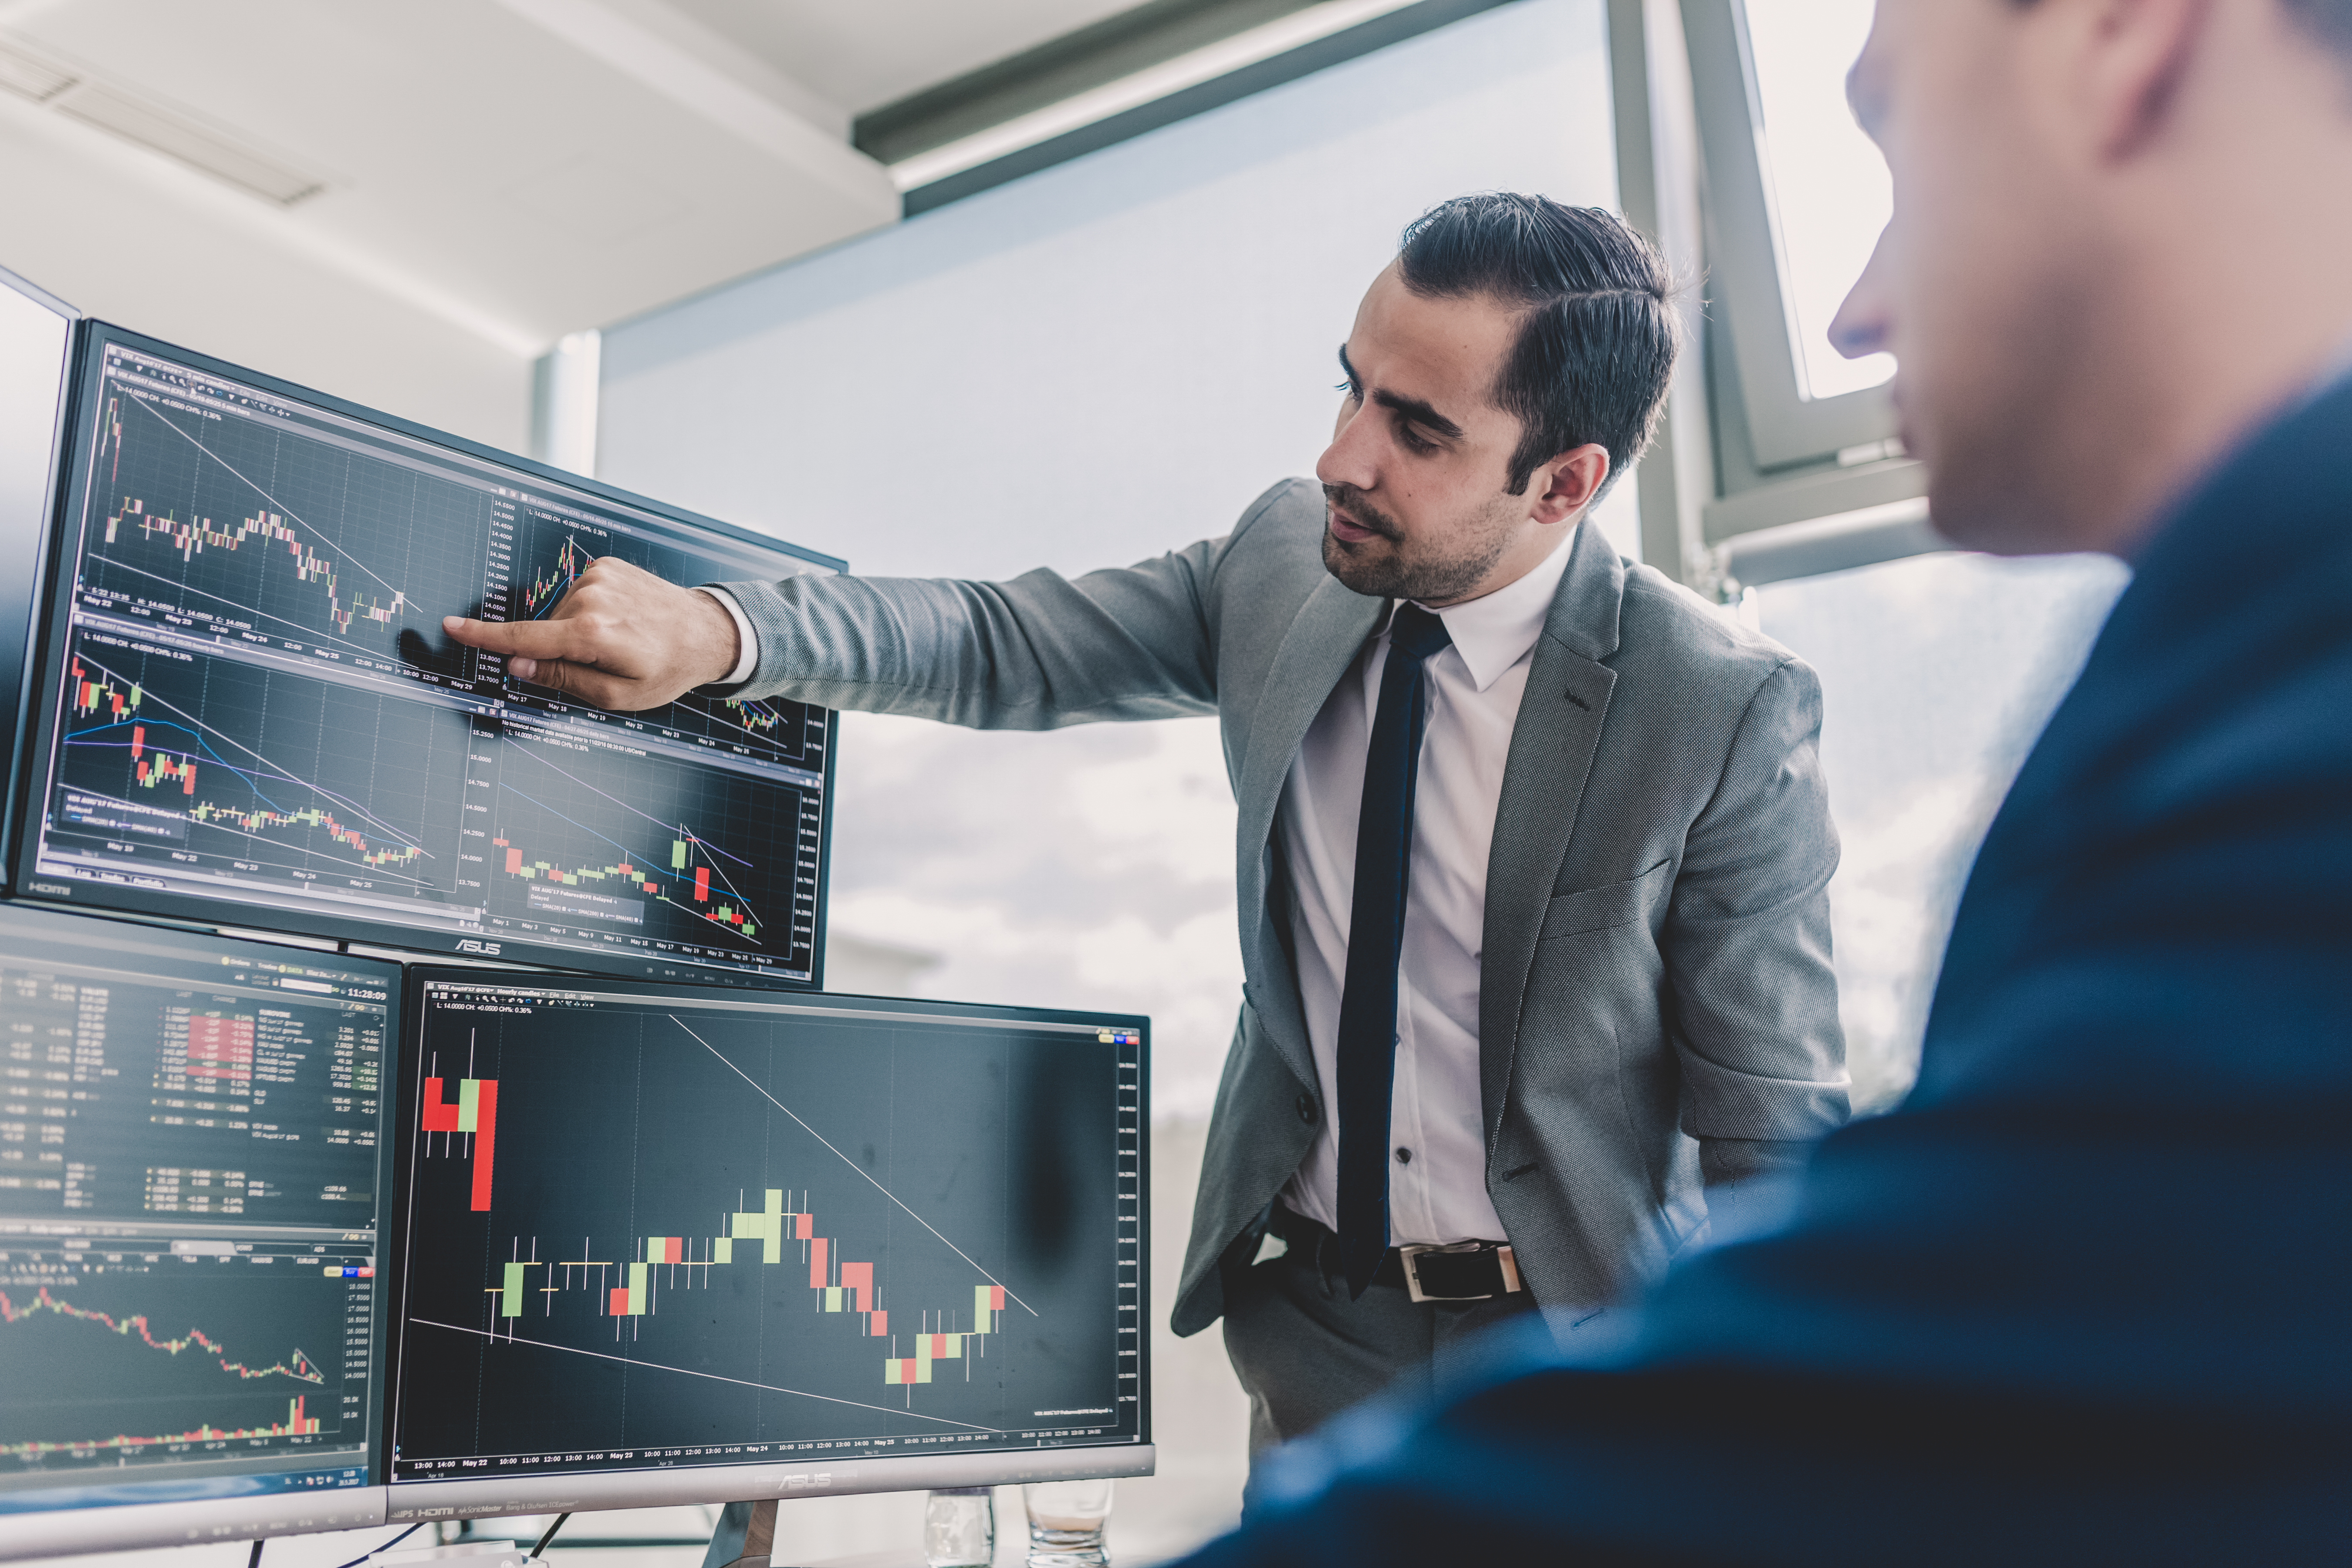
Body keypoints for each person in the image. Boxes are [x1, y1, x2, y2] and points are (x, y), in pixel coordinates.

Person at [1147, 0, 2352, 1560]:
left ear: (2123, 38)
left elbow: (1947, 1343)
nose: (1854, 315)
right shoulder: (2237, 636)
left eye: (1896, 155)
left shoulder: (2293, 664)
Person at [443, 194, 1849, 1456]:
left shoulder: (1718, 705)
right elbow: (1002, 640)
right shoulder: (1284, 565)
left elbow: (1769, 1131)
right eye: (1352, 389)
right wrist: (722, 630)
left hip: (1580, 1345)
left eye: (1417, 431)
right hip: (1318, 1327)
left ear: (1564, 483)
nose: (1341, 457)